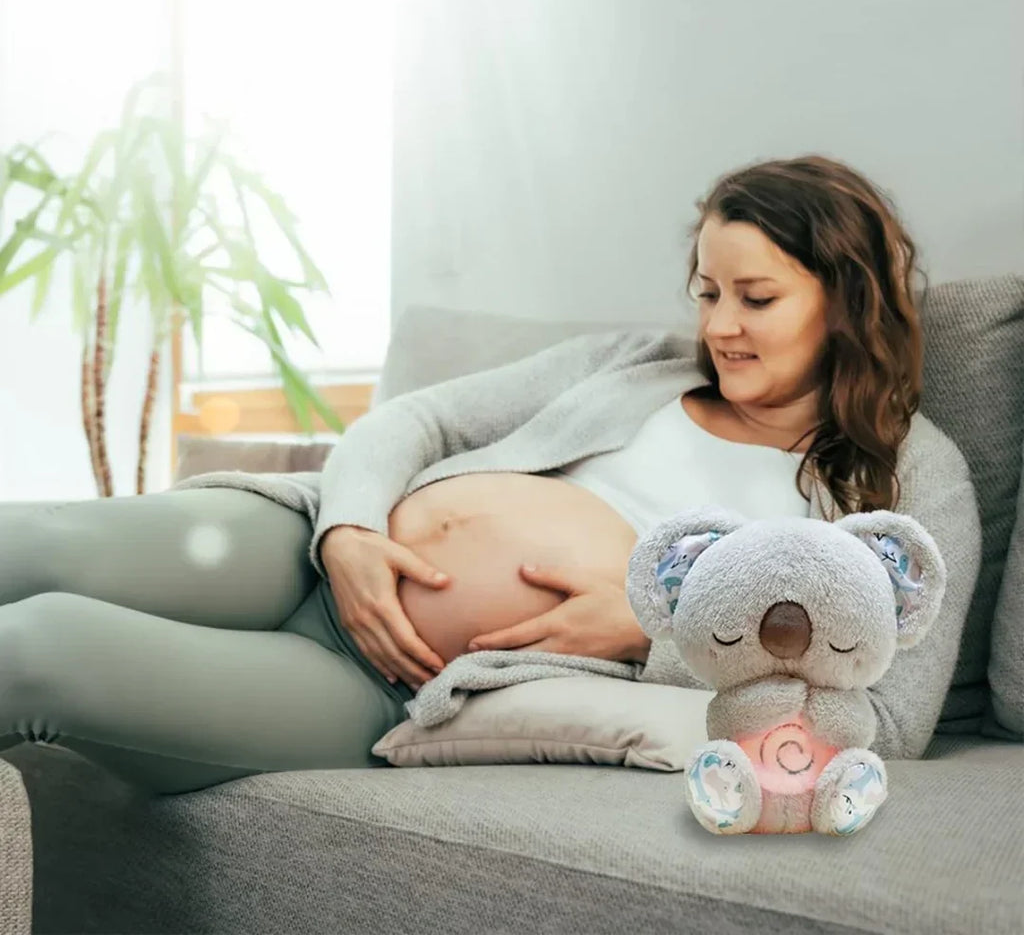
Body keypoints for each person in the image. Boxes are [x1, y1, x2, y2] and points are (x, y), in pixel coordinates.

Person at [0, 156, 980, 795]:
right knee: (24, 545)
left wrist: (660, 633)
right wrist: (345, 530)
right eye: (708, 291)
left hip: (386, 677)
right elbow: (416, 417)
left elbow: (888, 724)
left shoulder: (903, 482)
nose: (718, 325)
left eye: (755, 297)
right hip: (299, 550)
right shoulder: (637, 362)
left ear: (846, 299)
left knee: (36, 649)